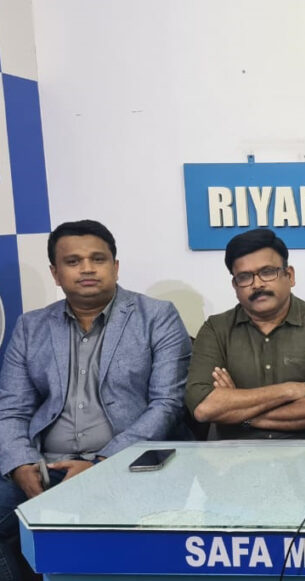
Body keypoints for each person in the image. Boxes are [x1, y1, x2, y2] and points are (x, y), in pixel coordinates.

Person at [0, 220, 191, 580]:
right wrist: (20, 465)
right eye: (73, 262)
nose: (87, 269)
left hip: (128, 464)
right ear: (55, 273)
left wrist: (103, 463)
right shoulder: (31, 327)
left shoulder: (156, 316)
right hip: (44, 467)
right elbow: (11, 409)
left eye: (97, 259)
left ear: (115, 267)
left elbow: (167, 404)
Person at [185, 229, 305, 439]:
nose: (257, 284)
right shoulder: (216, 329)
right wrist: (288, 390)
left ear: (290, 276)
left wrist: (237, 411)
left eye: (268, 272)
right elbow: (203, 407)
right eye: (245, 277)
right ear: (235, 285)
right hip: (233, 454)